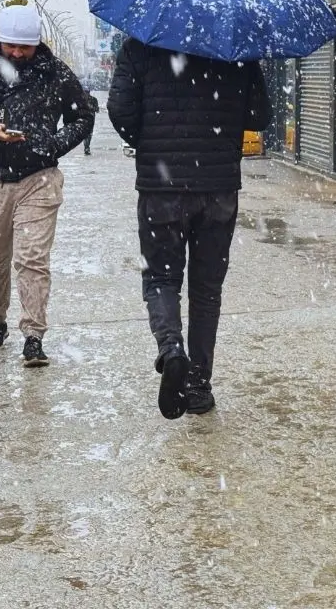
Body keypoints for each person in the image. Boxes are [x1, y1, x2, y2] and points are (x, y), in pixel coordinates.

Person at [107, 36, 269, 420]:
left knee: (161, 279)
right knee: (206, 290)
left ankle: (171, 348)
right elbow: (260, 117)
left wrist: (149, 141)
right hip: (218, 189)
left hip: (160, 186)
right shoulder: (236, 45)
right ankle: (198, 385)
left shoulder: (139, 44)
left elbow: (120, 110)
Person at [0, 3, 96, 367]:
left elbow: (83, 117)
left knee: (32, 259)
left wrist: (53, 145)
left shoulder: (56, 74)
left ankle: (33, 335)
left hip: (38, 178)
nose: (16, 52)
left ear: (36, 44)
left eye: (23, 47)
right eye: (10, 45)